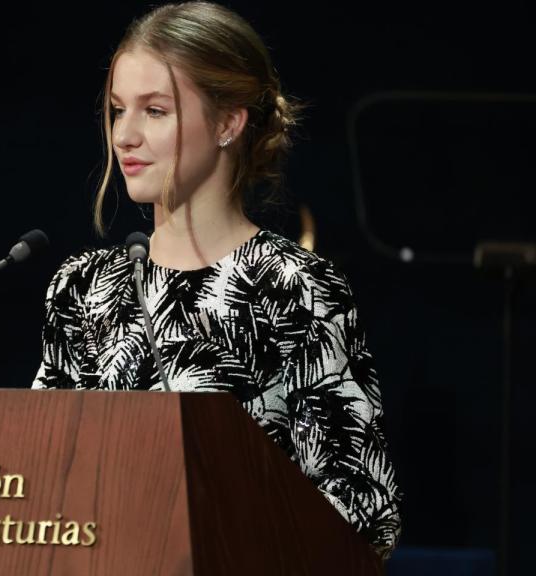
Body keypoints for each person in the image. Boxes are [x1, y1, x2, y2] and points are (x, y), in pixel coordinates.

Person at [31, 1, 403, 559]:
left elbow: (363, 511)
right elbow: (35, 480)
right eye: (116, 110)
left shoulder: (296, 286)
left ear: (229, 122)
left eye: (155, 111)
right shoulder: (83, 286)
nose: (124, 136)